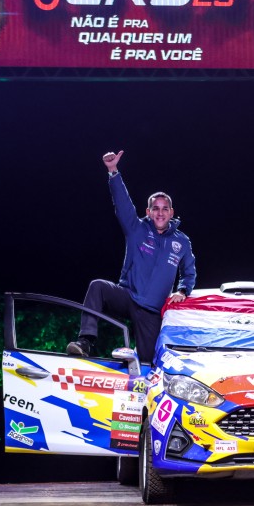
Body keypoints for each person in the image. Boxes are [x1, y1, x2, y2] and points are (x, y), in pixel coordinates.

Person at [67, 150, 196, 364]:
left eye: (165, 209)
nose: (160, 213)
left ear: (171, 212)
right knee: (98, 286)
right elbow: (123, 204)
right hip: (128, 296)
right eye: (155, 209)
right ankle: (85, 342)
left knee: (148, 363)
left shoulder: (182, 241)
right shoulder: (137, 228)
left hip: (152, 310)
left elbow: (189, 272)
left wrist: (183, 290)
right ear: (149, 211)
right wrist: (113, 171)